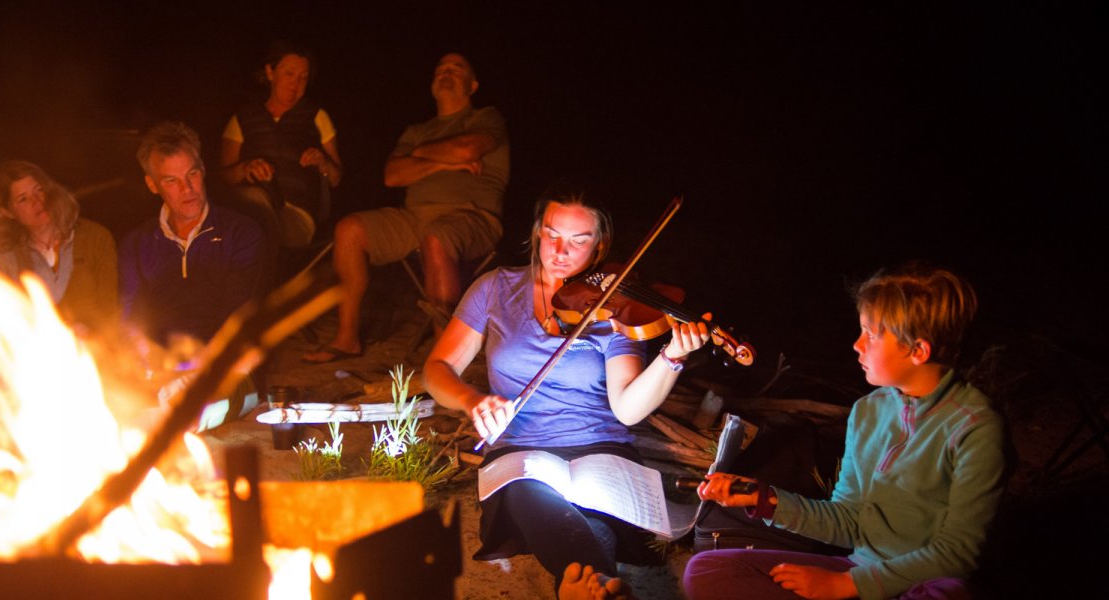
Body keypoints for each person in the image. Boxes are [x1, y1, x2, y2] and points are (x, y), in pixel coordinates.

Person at [423, 188, 712, 597]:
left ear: (600, 246)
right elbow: (436, 371)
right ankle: (600, 582)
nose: (561, 251)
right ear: (537, 232)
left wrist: (672, 358)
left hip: (602, 447)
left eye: (579, 240)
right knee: (531, 491)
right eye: (552, 235)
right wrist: (472, 399)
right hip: (521, 447)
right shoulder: (495, 288)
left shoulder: (615, 305)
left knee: (592, 509)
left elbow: (628, 409)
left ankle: (582, 586)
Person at [683, 263, 1005, 600]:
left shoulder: (975, 427)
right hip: (859, 568)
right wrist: (765, 500)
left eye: (872, 334)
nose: (857, 344)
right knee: (707, 570)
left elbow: (957, 556)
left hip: (921, 583)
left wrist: (845, 585)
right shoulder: (869, 411)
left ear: (918, 350)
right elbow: (848, 520)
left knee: (951, 592)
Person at [302, 52, 508, 363]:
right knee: (350, 229)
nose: (446, 72)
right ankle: (347, 338)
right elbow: (393, 175)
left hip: (471, 215)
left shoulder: (486, 118)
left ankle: (445, 355)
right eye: (440, 67)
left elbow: (468, 148)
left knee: (437, 238)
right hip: (413, 218)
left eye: (457, 68)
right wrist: (441, 159)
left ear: (473, 84)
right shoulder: (417, 132)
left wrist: (421, 157)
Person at [118, 122, 269, 429]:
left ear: (203, 170)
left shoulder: (241, 233)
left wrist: (190, 368)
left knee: (183, 415)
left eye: (192, 174)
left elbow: (236, 321)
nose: (187, 189)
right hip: (159, 370)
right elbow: (130, 317)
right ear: (152, 184)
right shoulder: (137, 243)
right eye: (171, 181)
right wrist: (148, 361)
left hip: (225, 371)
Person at [220, 40, 342, 251]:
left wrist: (323, 162)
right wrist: (245, 168)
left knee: (258, 229)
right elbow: (222, 175)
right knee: (253, 203)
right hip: (250, 206)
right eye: (289, 74)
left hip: (297, 214)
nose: (296, 83)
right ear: (270, 72)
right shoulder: (242, 119)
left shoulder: (317, 117)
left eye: (303, 77)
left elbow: (336, 177)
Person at [0, 160, 117, 333]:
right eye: (23, 199)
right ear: (7, 211)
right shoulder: (5, 255)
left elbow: (110, 311)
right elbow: (3, 321)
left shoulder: (95, 238)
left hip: (95, 352)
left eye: (38, 190)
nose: (37, 201)